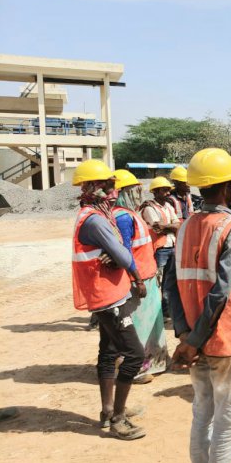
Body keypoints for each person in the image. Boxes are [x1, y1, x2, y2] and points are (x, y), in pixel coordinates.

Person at [165, 148, 231, 463]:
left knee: (202, 413)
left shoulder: (186, 225)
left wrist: (187, 337)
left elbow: (171, 283)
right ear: (229, 186)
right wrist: (197, 339)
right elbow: (221, 291)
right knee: (228, 418)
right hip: (224, 340)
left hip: (194, 339)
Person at [71, 160, 147, 441]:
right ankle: (117, 418)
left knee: (109, 351)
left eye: (114, 185)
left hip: (107, 291)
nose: (113, 191)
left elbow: (116, 253)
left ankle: (108, 411)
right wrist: (129, 269)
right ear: (94, 188)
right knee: (134, 354)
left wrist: (114, 256)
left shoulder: (94, 215)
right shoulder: (93, 220)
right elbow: (123, 254)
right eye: (108, 185)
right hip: (107, 296)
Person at [112, 169, 168, 384]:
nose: (139, 192)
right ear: (125, 192)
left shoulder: (132, 213)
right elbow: (125, 252)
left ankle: (152, 361)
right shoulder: (123, 217)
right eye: (135, 189)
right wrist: (136, 279)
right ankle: (135, 368)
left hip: (147, 275)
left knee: (151, 323)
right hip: (138, 280)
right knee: (138, 326)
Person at [140, 176, 181, 316]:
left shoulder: (169, 206)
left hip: (172, 246)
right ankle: (153, 312)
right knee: (157, 281)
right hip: (160, 249)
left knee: (169, 282)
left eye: (168, 190)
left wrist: (168, 226)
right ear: (155, 192)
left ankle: (165, 310)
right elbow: (158, 228)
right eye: (164, 190)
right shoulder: (149, 209)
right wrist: (171, 226)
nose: (168, 193)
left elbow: (178, 225)